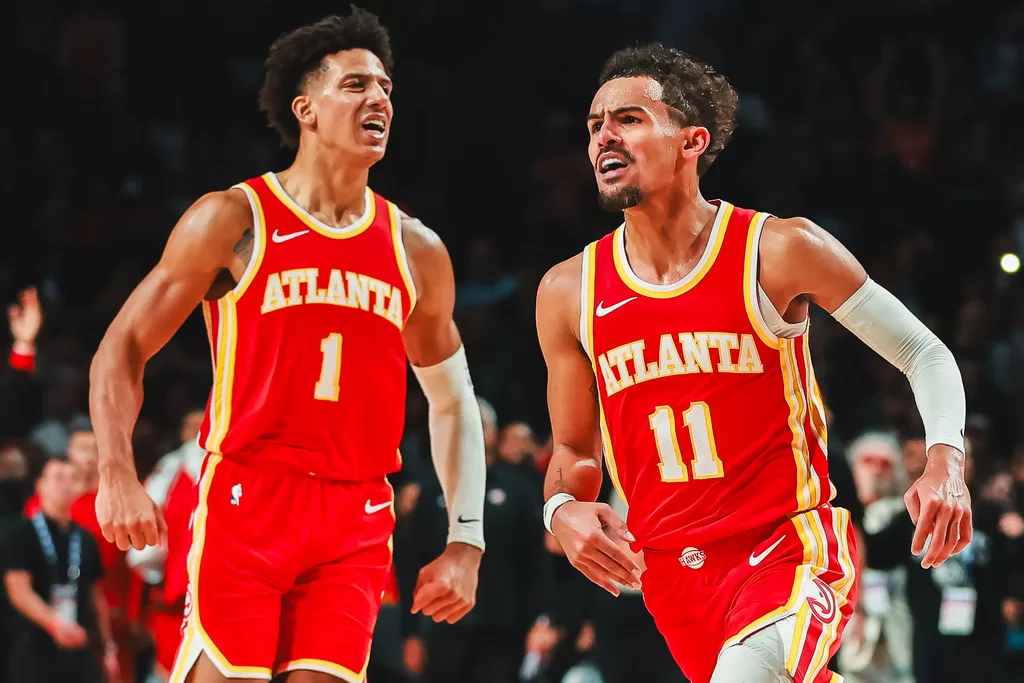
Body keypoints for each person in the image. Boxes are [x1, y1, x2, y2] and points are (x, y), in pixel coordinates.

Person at [536, 44, 972, 683]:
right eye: (595, 125)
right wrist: (561, 509)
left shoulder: (777, 249)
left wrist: (945, 462)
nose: (603, 136)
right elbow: (573, 451)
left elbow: (924, 353)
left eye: (627, 119)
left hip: (788, 549)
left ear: (692, 140)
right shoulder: (569, 290)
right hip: (673, 576)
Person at [88, 7, 487, 683]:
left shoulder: (416, 249)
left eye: (387, 87)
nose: (380, 99)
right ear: (306, 108)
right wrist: (115, 469)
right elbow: (122, 344)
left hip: (357, 510)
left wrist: (467, 539)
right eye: (357, 84)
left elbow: (452, 401)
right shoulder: (234, 219)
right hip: (250, 495)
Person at [3, 457, 118, 683]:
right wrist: (55, 624)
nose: (66, 485)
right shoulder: (20, 533)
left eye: (72, 478)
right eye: (58, 478)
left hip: (80, 648)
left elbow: (96, 597)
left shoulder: (85, 539)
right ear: (40, 484)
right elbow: (19, 591)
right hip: (34, 647)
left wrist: (108, 647)